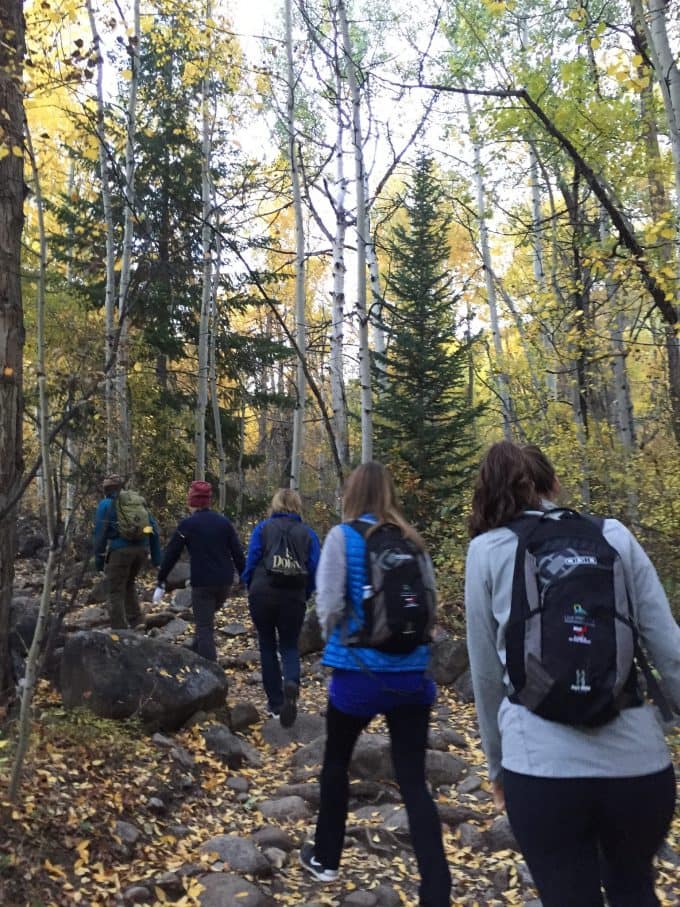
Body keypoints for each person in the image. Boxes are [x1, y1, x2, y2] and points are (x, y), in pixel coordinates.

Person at [464, 440, 680, 907]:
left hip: (540, 771)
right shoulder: (615, 536)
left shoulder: (485, 551)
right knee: (634, 889)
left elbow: (485, 675)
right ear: (552, 484)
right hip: (638, 768)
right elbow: (670, 649)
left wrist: (497, 767)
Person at [299, 462, 451, 907]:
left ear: (352, 493)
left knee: (335, 764)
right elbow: (431, 604)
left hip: (357, 678)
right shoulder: (414, 542)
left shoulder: (342, 537)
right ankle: (436, 887)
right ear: (389, 495)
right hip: (411, 678)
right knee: (413, 780)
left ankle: (326, 859)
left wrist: (337, 646)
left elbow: (327, 604)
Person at [241, 488, 320, 726]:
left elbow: (252, 559)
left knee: (266, 644)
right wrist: (306, 593)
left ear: (275, 505)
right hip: (293, 596)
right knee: (289, 645)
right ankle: (292, 682)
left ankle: (275, 705)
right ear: (297, 506)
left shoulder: (263, 528)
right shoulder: (308, 534)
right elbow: (315, 567)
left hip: (262, 592)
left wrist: (249, 584)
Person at [155, 480, 245, 662]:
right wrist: (245, 577)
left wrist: (161, 580)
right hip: (224, 583)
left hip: (203, 583)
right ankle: (194, 656)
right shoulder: (223, 523)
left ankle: (211, 670)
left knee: (204, 627)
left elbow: (172, 553)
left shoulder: (188, 525)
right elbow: (237, 552)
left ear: (192, 501)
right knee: (205, 622)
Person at [93, 474, 162, 629]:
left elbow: (100, 534)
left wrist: (98, 561)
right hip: (141, 550)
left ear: (106, 490)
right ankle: (136, 621)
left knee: (115, 590)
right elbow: (153, 529)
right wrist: (157, 558)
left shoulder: (105, 505)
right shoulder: (136, 503)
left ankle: (120, 630)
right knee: (129, 583)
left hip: (120, 551)